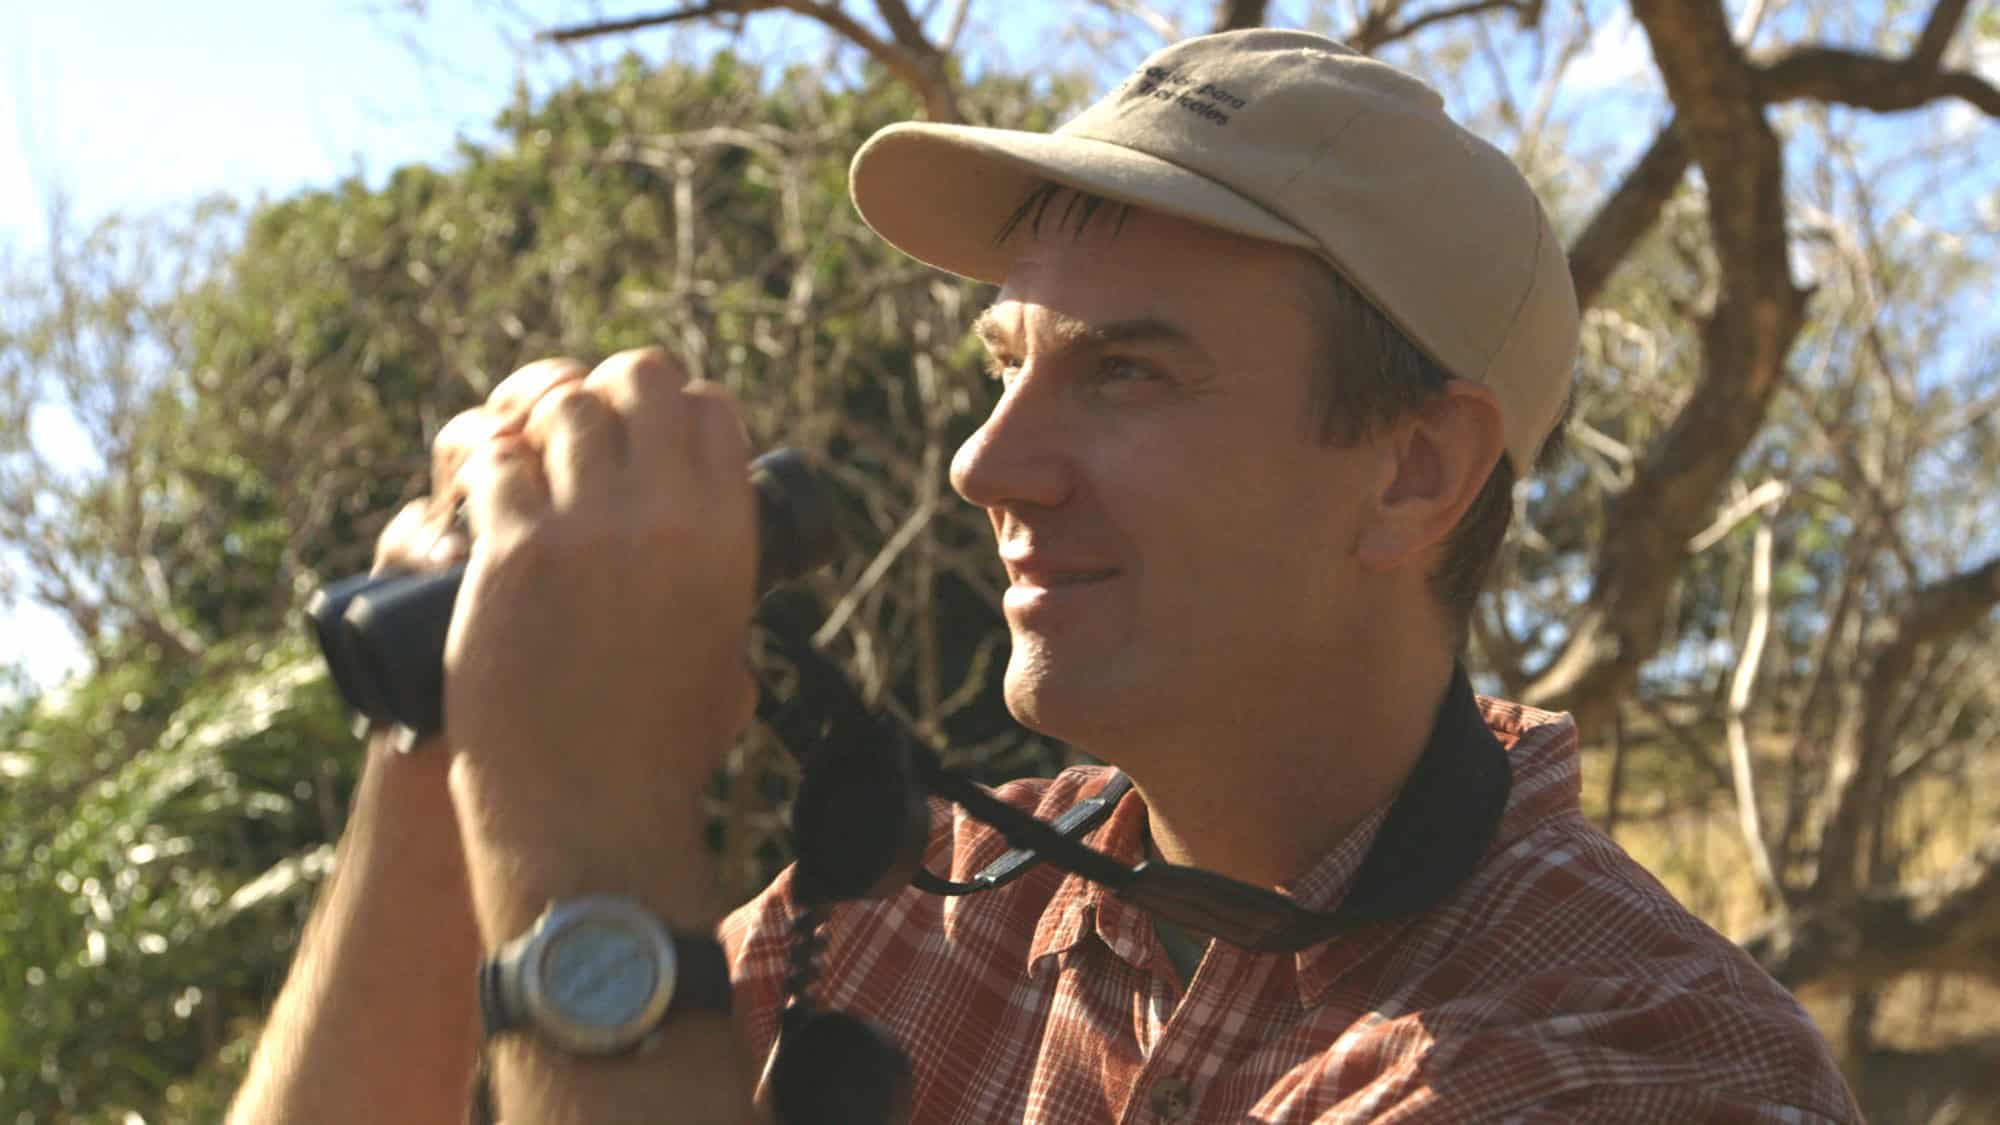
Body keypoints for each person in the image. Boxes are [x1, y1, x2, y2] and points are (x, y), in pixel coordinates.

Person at [228, 27, 1861, 1124]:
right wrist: (441, 722)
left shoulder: (1621, 1058)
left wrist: (585, 852)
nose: (987, 464)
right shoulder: (920, 906)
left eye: (1126, 374)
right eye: (1008, 365)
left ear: (1414, 468)